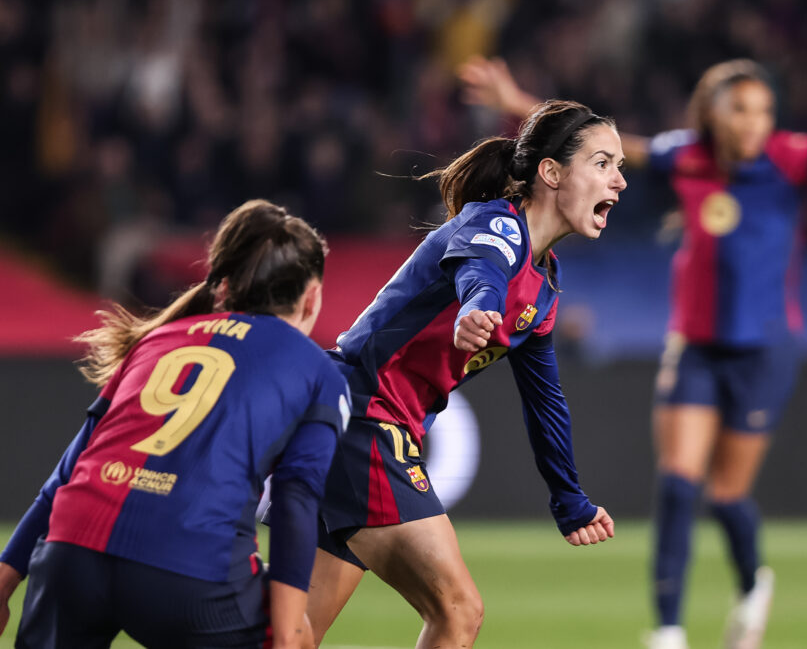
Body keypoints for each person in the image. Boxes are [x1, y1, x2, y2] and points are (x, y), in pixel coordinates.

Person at [459, 56, 807, 649]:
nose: (754, 123)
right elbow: (599, 147)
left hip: (763, 355)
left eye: (764, 111)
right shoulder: (687, 155)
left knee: (726, 497)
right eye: (741, 109)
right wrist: (518, 102)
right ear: (712, 113)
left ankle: (752, 582)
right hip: (695, 347)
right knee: (677, 483)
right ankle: (668, 631)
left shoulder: (786, 159)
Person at [305, 99, 623, 648]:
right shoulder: (494, 222)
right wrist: (478, 306)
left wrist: (568, 498)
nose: (618, 180)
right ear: (550, 172)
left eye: (619, 166)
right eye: (602, 163)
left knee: (293, 634)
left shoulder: (544, 286)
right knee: (458, 612)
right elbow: (484, 270)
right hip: (363, 417)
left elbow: (545, 402)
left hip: (346, 421)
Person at [0, 200, 349, 649]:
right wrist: (286, 635)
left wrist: (6, 579)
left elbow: (70, 470)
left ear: (222, 289)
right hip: (191, 573)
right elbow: (295, 500)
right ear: (312, 296)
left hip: (70, 553)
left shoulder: (154, 342)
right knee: (296, 636)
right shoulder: (318, 372)